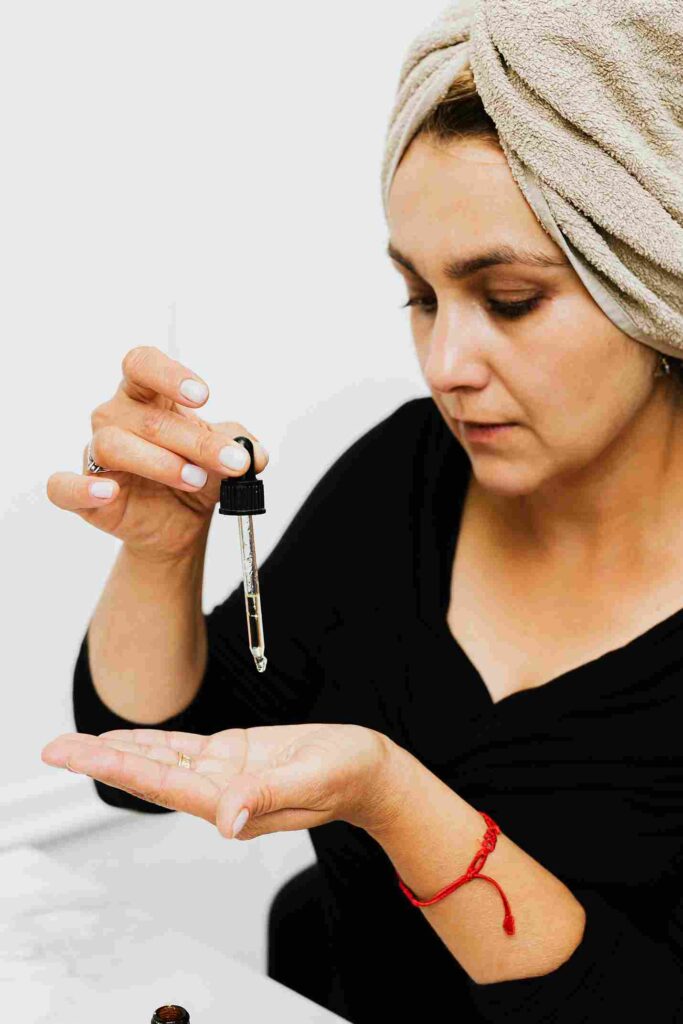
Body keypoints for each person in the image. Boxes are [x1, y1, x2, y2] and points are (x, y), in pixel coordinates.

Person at [43, 3, 683, 1021]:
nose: (443, 366)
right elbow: (147, 753)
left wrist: (396, 799)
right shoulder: (408, 470)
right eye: (420, 298)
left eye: (509, 299)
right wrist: (161, 554)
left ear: (655, 279)